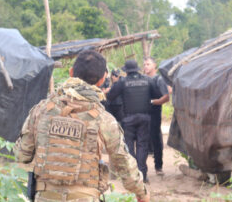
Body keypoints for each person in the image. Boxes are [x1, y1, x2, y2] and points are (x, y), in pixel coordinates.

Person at [14, 50, 149, 202]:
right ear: (102, 79)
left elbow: (22, 155)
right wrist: (141, 193)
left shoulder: (41, 110)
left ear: (71, 72)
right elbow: (122, 162)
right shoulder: (103, 118)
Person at [107, 60, 156, 183]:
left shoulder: (122, 82)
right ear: (137, 69)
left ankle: (133, 175)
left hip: (128, 119)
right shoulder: (148, 80)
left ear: (126, 71)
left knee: (129, 147)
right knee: (142, 146)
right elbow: (157, 94)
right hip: (145, 118)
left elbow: (110, 96)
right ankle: (143, 175)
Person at [143, 57, 170, 176]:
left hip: (154, 113)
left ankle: (158, 166)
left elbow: (166, 97)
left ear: (155, 66)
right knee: (142, 139)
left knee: (156, 140)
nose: (145, 66)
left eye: (148, 64)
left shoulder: (159, 80)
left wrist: (153, 102)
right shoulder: (142, 79)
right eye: (144, 64)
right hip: (142, 113)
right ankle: (141, 168)